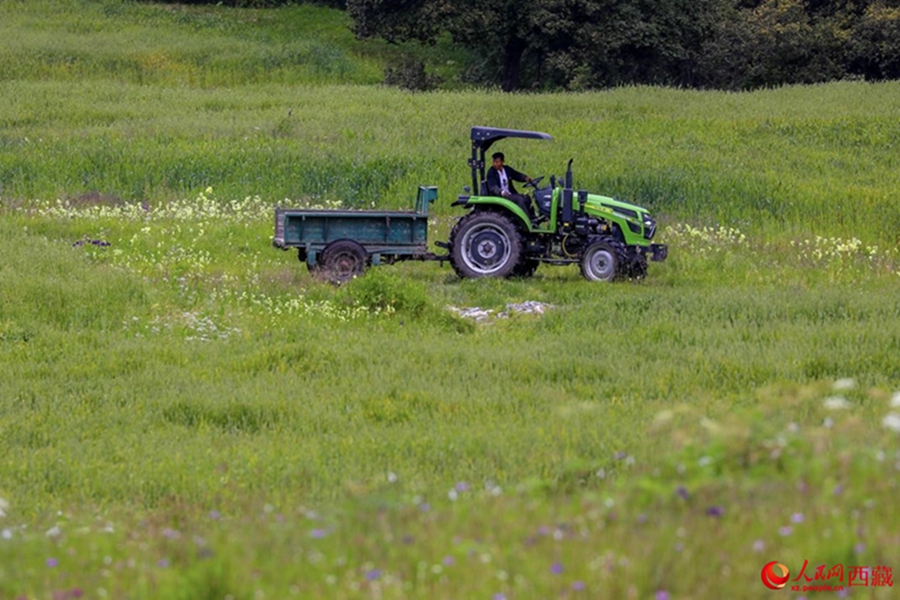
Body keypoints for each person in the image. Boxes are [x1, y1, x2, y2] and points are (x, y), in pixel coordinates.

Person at [486, 152, 534, 219]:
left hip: (510, 194)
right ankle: (525, 219)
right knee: (519, 199)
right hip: (500, 197)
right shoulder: (491, 173)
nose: (495, 164)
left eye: (497, 162)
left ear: (502, 162)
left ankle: (532, 217)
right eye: (494, 162)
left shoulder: (506, 169)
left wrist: (525, 178)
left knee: (526, 198)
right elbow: (493, 187)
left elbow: (516, 175)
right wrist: (501, 192)